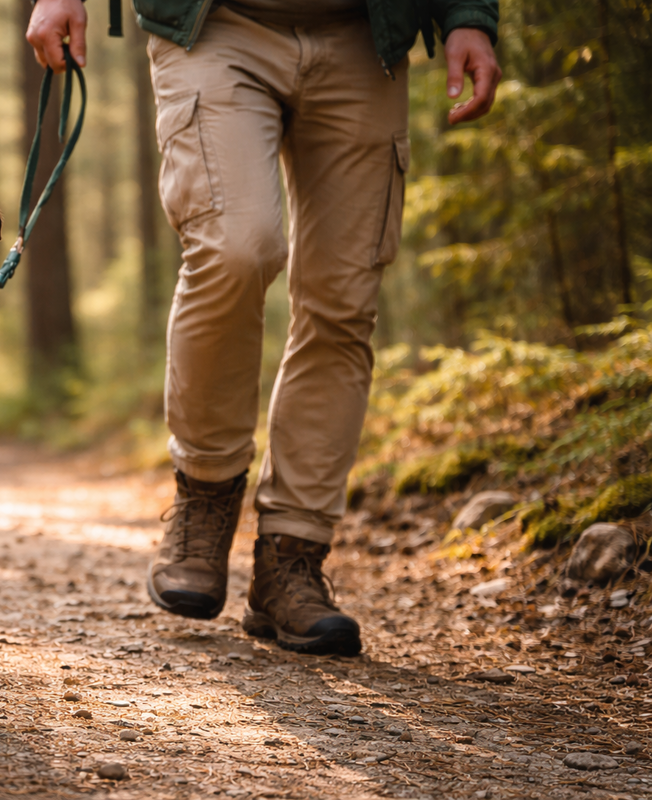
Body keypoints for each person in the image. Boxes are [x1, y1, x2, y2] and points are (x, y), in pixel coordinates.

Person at [28, 0, 501, 656]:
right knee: (235, 247)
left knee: (343, 301)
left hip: (368, 35)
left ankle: (292, 559)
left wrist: (469, 13)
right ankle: (205, 493)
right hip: (216, 24)